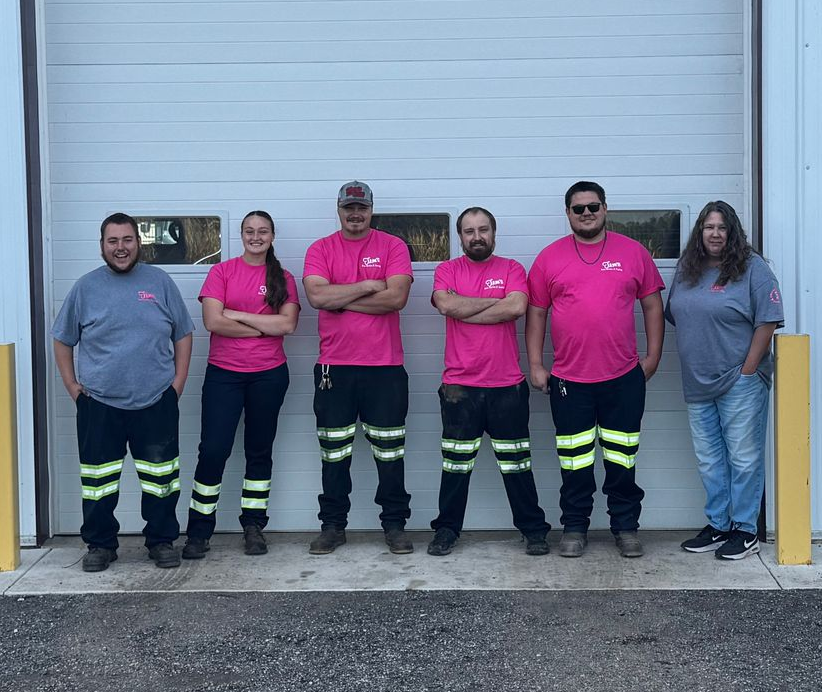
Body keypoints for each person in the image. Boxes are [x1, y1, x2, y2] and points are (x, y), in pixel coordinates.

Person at [525, 181, 665, 558]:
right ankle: (574, 527)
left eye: (593, 206)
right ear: (567, 213)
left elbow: (652, 305)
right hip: (569, 381)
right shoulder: (549, 258)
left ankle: (626, 528)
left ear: (605, 209)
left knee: (622, 459)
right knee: (575, 462)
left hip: (623, 378)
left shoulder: (634, 253)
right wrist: (537, 364)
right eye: (578, 208)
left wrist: (652, 358)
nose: (586, 213)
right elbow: (536, 313)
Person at [52, 212, 194, 572]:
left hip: (155, 402)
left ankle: (161, 541)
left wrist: (177, 384)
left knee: (162, 481)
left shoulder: (159, 282)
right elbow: (62, 338)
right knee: (98, 484)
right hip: (99, 404)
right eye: (112, 241)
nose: (120, 248)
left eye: (127, 240)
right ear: (101, 245)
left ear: (138, 242)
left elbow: (183, 333)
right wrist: (72, 387)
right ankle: (100, 545)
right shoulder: (85, 288)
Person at [427, 207, 551, 557]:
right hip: (459, 388)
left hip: (506, 387)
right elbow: (445, 305)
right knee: (455, 467)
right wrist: (490, 305)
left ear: (494, 233)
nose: (476, 236)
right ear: (460, 236)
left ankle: (533, 530)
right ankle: (447, 530)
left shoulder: (512, 268)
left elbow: (515, 308)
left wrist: (465, 307)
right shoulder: (446, 269)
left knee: (517, 466)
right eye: (469, 231)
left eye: (483, 229)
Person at [665, 201, 783, 560]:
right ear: (699, 232)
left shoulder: (752, 268)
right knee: (709, 460)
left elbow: (768, 321)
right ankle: (719, 525)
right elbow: (676, 314)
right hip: (698, 382)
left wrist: (748, 369)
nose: (715, 234)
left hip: (739, 381)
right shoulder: (688, 268)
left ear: (732, 232)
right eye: (708, 227)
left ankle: (745, 530)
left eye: (722, 228)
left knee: (744, 459)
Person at [303, 181, 414, 555]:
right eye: (349, 207)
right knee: (334, 454)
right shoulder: (321, 249)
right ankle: (333, 526)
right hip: (335, 370)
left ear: (371, 209)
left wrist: (340, 298)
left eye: (361, 207)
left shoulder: (392, 246)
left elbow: (396, 297)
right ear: (338, 209)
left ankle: (395, 526)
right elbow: (317, 296)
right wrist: (367, 285)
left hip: (385, 368)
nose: (355, 214)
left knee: (390, 454)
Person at [182, 210, 300, 560]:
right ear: (241, 235)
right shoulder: (222, 271)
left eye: (263, 231)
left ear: (272, 236)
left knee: (259, 452)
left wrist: (238, 315)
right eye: (249, 231)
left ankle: (253, 526)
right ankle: (199, 531)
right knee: (214, 450)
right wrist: (264, 326)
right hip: (224, 375)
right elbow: (213, 322)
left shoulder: (284, 277)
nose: (256, 236)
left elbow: (288, 325)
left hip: (269, 374)